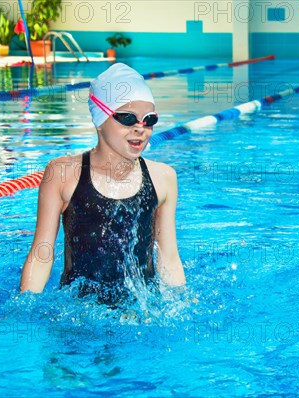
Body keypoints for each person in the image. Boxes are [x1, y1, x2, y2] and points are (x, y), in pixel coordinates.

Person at [20, 63, 186, 302]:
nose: (140, 129)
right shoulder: (63, 173)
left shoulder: (164, 178)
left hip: (140, 315)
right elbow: (41, 255)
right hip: (78, 314)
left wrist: (179, 304)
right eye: (128, 118)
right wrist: (25, 313)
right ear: (99, 119)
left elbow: (168, 257)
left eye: (149, 120)